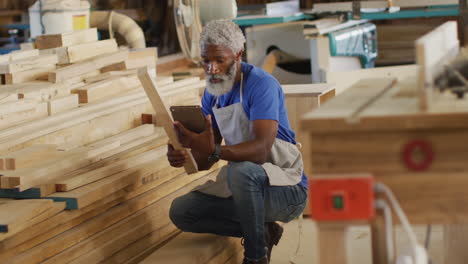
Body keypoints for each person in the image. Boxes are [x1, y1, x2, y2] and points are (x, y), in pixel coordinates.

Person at [168, 19, 308, 264]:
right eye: (205, 61)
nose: (211, 69)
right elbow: (204, 161)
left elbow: (260, 150)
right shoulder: (212, 94)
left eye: (220, 60)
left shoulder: (261, 85)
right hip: (247, 189)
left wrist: (213, 149)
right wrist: (183, 155)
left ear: (238, 54)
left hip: (287, 189)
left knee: (241, 171)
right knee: (182, 211)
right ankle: (264, 231)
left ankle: (256, 257)